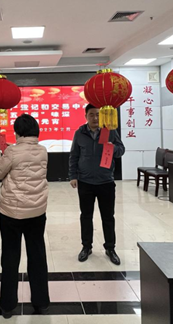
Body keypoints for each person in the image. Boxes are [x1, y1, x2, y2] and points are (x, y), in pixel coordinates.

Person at [0, 114, 50, 319]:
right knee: (37, 256)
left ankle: (7, 305)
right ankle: (41, 303)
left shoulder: (12, 152)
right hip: (37, 211)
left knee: (10, 257)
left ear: (18, 132)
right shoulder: (43, 150)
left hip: (11, 212)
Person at [69, 104, 126, 265]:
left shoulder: (109, 131)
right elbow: (74, 156)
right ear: (85, 116)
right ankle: (86, 247)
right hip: (85, 182)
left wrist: (112, 147)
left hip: (105, 181)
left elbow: (121, 150)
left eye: (98, 115)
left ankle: (110, 248)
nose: (95, 118)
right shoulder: (79, 133)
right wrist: (73, 176)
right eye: (92, 115)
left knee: (108, 217)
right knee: (86, 216)